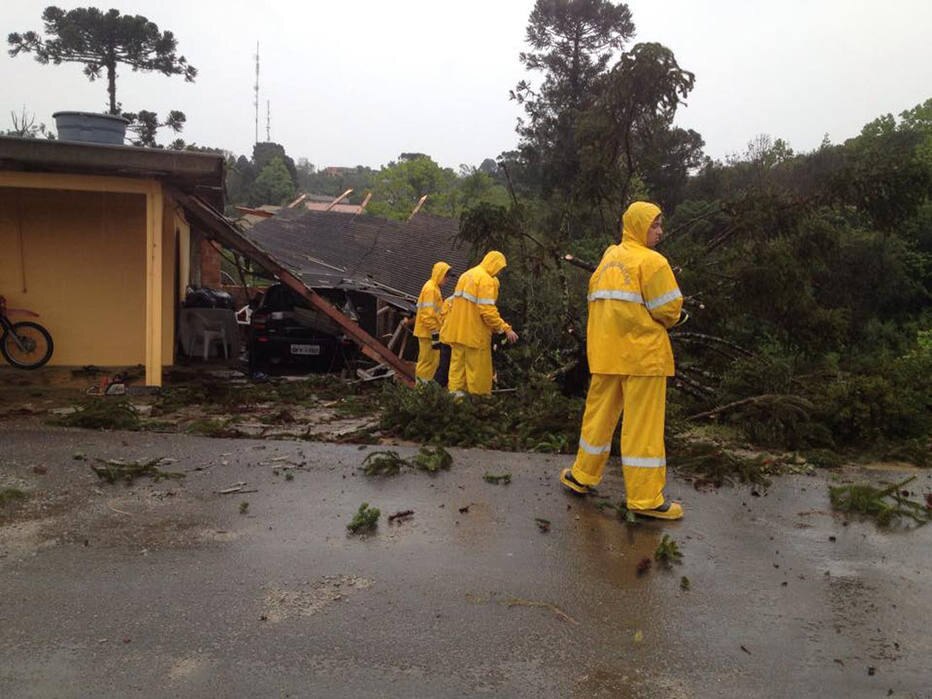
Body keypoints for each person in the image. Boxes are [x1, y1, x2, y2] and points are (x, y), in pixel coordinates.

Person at [559, 201, 685, 520]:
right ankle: (645, 500)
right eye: (655, 225)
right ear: (640, 225)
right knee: (642, 428)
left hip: (605, 355)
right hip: (642, 358)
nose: (660, 231)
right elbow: (668, 311)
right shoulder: (653, 262)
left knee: (598, 419)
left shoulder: (607, 259)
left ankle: (582, 476)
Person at [441, 250, 518, 396]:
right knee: (478, 376)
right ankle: (479, 409)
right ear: (495, 264)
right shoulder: (486, 280)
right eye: (500, 268)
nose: (499, 272)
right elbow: (487, 311)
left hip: (457, 335)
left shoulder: (466, 275)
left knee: (457, 374)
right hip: (475, 337)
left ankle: (455, 406)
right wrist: (505, 328)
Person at [412, 261, 451, 383]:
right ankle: (422, 390)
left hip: (429, 332)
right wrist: (435, 332)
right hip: (427, 333)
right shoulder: (431, 289)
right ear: (440, 274)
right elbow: (427, 315)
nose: (447, 280)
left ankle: (425, 390)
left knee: (431, 362)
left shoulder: (434, 288)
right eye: (446, 276)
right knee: (426, 362)